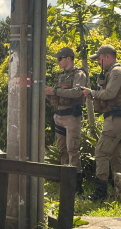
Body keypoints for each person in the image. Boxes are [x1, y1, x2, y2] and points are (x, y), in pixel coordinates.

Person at [46, 47, 87, 196]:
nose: (58, 61)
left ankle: (77, 186)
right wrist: (49, 93)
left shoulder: (79, 74)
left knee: (72, 150)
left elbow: (77, 92)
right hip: (59, 116)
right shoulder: (61, 76)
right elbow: (56, 97)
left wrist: (55, 91)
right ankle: (66, 181)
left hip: (72, 117)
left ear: (68, 58)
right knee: (62, 149)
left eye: (60, 58)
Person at [81, 44, 121, 201]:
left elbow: (110, 93)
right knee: (116, 156)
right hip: (115, 118)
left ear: (108, 57)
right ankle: (118, 194)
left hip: (115, 119)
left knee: (101, 152)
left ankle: (100, 193)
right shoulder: (113, 71)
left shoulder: (116, 72)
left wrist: (92, 93)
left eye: (99, 58)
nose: (97, 61)